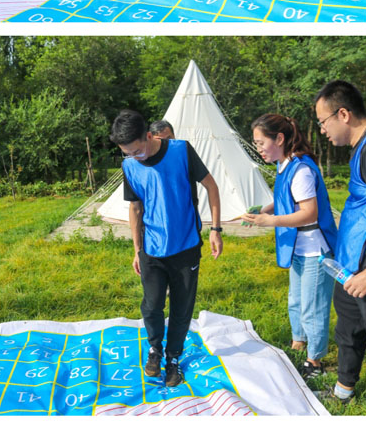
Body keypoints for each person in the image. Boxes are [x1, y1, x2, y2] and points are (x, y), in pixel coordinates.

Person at [109, 109, 223, 388]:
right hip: (151, 248)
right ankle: (155, 349)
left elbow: (211, 186)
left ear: (149, 136)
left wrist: (216, 229)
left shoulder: (181, 151)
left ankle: (173, 358)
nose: (134, 157)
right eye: (127, 153)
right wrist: (137, 249)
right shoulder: (130, 166)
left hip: (185, 246)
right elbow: (135, 208)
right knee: (151, 305)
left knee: (182, 308)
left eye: (137, 151)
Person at [243, 114, 337, 381]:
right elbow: (285, 198)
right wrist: (262, 211)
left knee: (313, 306)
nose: (259, 149)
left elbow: (309, 213)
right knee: (296, 300)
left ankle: (314, 361)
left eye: (261, 143)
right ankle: (298, 344)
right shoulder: (284, 165)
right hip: (298, 248)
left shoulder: (301, 170)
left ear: (279, 139)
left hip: (315, 250)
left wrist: (270, 221)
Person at [314, 80, 366, 404]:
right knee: (348, 331)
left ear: (343, 114)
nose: (322, 130)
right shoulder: (360, 149)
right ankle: (343, 393)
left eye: (323, 122)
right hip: (350, 264)